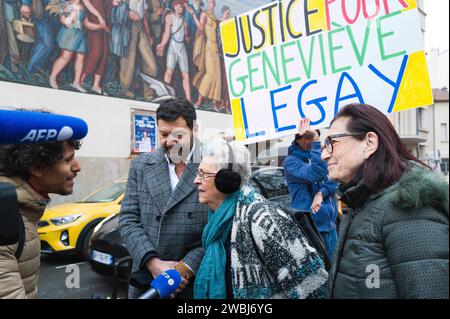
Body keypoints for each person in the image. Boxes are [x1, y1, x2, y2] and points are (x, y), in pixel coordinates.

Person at [322, 104, 449, 299]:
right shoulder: (361, 202)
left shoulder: (408, 206)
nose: (324, 154)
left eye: (332, 142)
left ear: (369, 143)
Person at [193, 139, 328, 299]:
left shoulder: (264, 220)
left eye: (203, 174)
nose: (196, 180)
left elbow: (314, 287)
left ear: (227, 180)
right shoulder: (218, 221)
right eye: (198, 173)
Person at [119, 98, 209, 299]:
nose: (169, 142)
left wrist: (184, 269)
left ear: (194, 129)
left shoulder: (213, 163)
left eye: (178, 135)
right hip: (147, 282)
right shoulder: (141, 165)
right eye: (163, 134)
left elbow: (219, 228)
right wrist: (153, 264)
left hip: (194, 285)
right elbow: (128, 219)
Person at [0, 138, 81, 299]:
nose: (77, 167)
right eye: (68, 160)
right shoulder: (5, 217)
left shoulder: (23, 209)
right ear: (37, 167)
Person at [284, 118, 339, 261]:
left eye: (313, 136)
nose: (310, 141)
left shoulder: (319, 156)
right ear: (297, 139)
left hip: (330, 226)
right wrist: (316, 141)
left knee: (336, 269)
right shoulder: (291, 162)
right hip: (311, 230)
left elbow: (334, 179)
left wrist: (321, 193)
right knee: (321, 276)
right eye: (306, 137)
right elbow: (316, 174)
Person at [49, 0, 107, 92]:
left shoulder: (82, 6)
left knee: (81, 57)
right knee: (65, 57)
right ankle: (53, 76)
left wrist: (100, 26)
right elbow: (65, 21)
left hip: (80, 34)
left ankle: (76, 82)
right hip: (70, 34)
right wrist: (73, 12)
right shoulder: (66, 5)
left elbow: (86, 23)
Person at [189, 0, 221, 110]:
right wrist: (193, 15)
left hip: (215, 47)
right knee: (210, 74)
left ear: (214, 4)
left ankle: (214, 103)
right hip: (208, 47)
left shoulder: (215, 17)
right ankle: (199, 101)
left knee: (217, 75)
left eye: (212, 3)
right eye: (209, 2)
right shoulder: (204, 14)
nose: (210, 5)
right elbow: (201, 27)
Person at [156, 0, 191, 101]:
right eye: (177, 6)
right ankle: (163, 96)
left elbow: (185, 35)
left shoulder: (184, 21)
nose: (179, 8)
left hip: (181, 48)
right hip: (172, 46)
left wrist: (188, 37)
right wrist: (162, 44)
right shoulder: (170, 17)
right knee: (169, 72)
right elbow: (167, 33)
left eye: (181, 6)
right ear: (174, 7)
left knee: (186, 75)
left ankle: (188, 100)